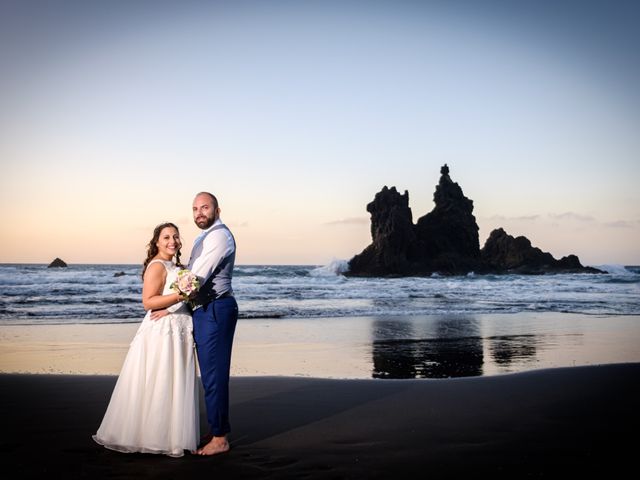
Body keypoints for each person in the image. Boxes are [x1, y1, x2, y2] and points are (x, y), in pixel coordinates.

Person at [92, 222, 199, 457]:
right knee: (160, 379)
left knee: (175, 380)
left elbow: (179, 299)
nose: (172, 241)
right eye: (166, 237)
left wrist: (185, 299)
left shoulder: (178, 266)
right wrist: (181, 295)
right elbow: (148, 302)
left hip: (179, 328)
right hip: (163, 331)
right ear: (157, 243)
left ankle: (173, 437)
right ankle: (153, 437)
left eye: (176, 237)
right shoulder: (157, 266)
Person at [188, 192, 238, 456]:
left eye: (204, 207)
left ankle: (220, 438)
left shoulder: (219, 236)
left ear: (217, 210)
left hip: (216, 309)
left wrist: (164, 303)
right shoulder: (204, 236)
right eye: (195, 208)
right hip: (205, 310)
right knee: (209, 376)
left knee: (214, 376)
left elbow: (195, 279)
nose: (199, 213)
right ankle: (215, 428)